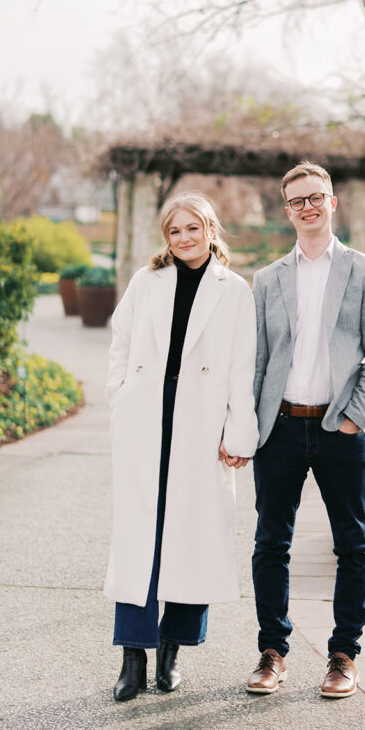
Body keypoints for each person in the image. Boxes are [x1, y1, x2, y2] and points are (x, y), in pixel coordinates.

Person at [246, 162, 365, 698]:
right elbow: (257, 361)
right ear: (287, 210)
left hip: (340, 428)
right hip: (280, 429)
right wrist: (247, 428)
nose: (307, 207)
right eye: (297, 200)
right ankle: (272, 652)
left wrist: (354, 417)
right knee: (270, 544)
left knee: (352, 545)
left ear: (332, 202)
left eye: (316, 197)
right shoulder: (267, 279)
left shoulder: (363, 270)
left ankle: (343, 655)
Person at [104, 191, 258, 701]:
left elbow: (243, 366)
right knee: (140, 540)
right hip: (146, 416)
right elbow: (120, 343)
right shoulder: (145, 282)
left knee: (194, 538)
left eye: (194, 228)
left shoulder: (234, 291)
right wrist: (120, 397)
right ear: (165, 237)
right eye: (175, 230)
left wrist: (239, 433)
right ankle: (133, 656)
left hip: (202, 422)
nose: (185, 237)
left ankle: (172, 651)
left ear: (211, 230)